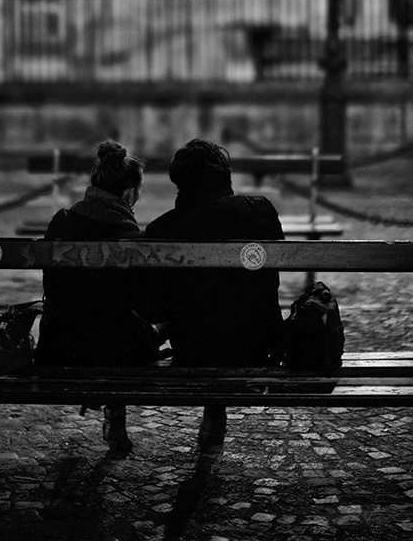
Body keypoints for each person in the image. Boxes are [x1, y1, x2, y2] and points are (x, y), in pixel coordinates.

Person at [144, 139, 285, 446]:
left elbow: (154, 308)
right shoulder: (261, 212)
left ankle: (212, 415)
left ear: (178, 181)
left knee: (205, 316)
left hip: (194, 349)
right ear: (225, 176)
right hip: (258, 345)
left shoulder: (162, 230)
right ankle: (215, 413)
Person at [35, 139, 160, 454]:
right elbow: (146, 306)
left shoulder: (62, 221)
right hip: (118, 352)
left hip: (60, 345)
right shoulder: (131, 237)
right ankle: (115, 414)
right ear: (128, 193)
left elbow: (52, 286)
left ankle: (106, 406)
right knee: (127, 328)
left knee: (105, 324)